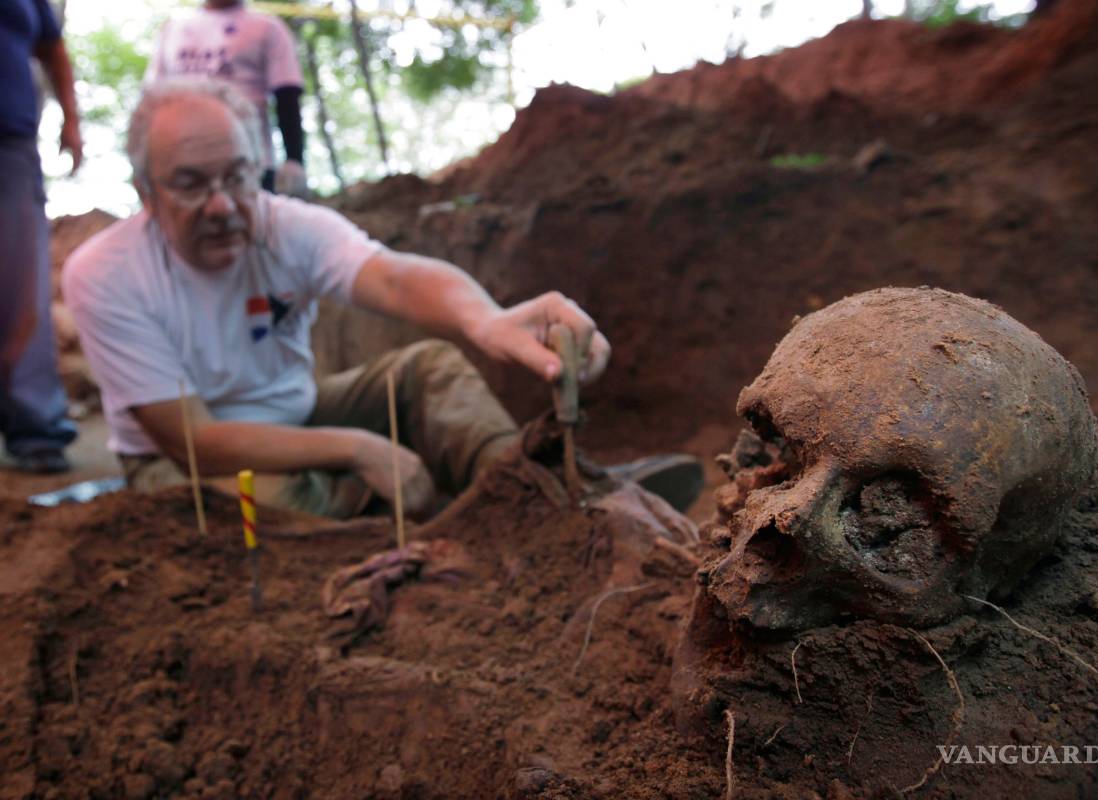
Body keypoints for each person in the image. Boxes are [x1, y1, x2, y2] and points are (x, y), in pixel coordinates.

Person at [63, 79, 701, 518]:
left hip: (301, 412)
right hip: (184, 467)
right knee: (272, 499)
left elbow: (393, 276)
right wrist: (357, 448)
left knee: (429, 370)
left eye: (237, 176)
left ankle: (531, 497)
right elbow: (194, 442)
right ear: (145, 192)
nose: (224, 205)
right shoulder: (106, 274)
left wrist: (484, 319)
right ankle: (448, 533)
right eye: (191, 185)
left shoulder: (287, 226)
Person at [0, 0, 82, 473]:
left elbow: (52, 47)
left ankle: (36, 429)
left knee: (22, 287)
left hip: (10, 143)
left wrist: (71, 119)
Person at [146, 0, 306, 196]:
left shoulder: (268, 28)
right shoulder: (172, 30)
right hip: (182, 162)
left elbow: (287, 96)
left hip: (249, 163)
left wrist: (294, 159)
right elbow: (153, 99)